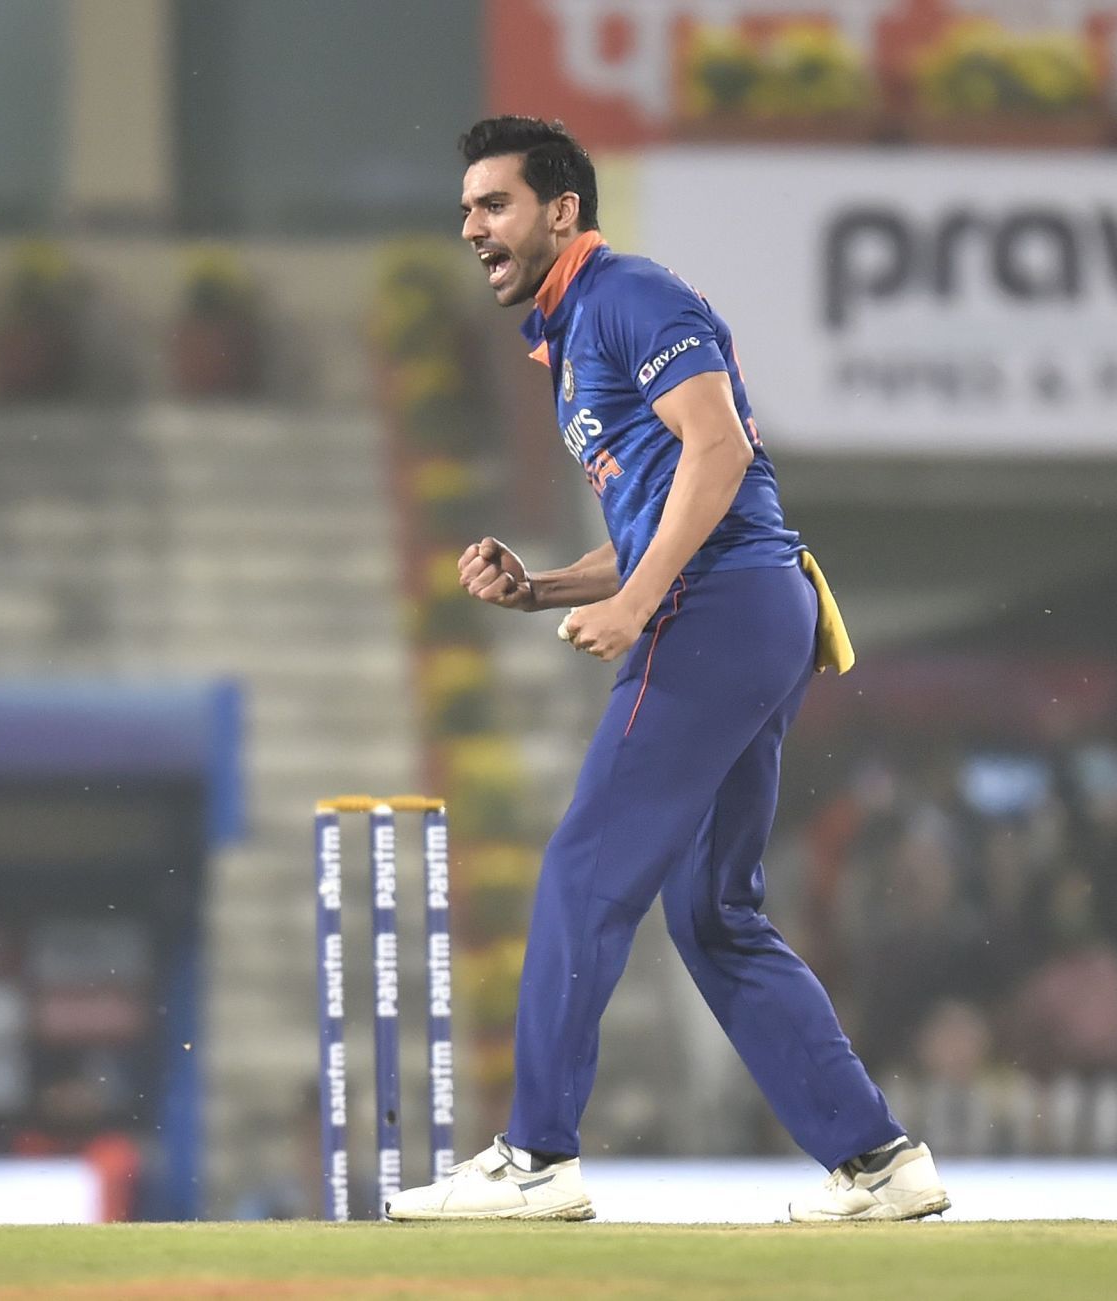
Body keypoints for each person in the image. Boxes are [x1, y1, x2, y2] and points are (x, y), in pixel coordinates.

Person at [385, 116, 947, 1224]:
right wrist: (546, 584)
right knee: (713, 910)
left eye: (493, 205)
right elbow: (660, 513)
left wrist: (639, 602)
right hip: (748, 603)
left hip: (720, 604)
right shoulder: (574, 331)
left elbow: (722, 448)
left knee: (584, 868)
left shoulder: (627, 294)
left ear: (561, 211)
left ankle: (536, 1155)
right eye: (465, 211)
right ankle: (879, 1161)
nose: (473, 229)